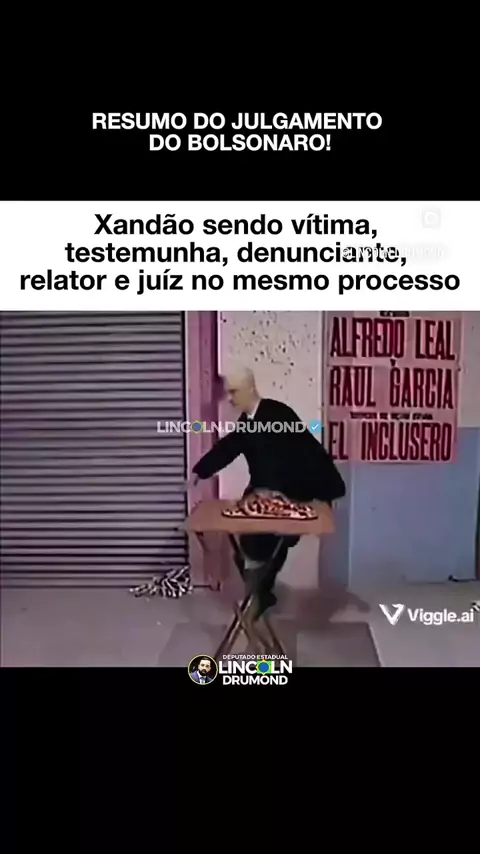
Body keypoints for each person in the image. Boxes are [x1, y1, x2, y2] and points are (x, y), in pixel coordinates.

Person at [188, 366, 346, 617]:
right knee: (244, 544)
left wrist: (327, 492)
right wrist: (200, 471)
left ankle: (260, 594)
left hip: (288, 492)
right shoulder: (247, 422)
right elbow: (229, 447)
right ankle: (260, 593)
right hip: (259, 492)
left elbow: (309, 451)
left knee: (273, 544)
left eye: (234, 392)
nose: (230, 399)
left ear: (250, 388)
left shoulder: (279, 414)